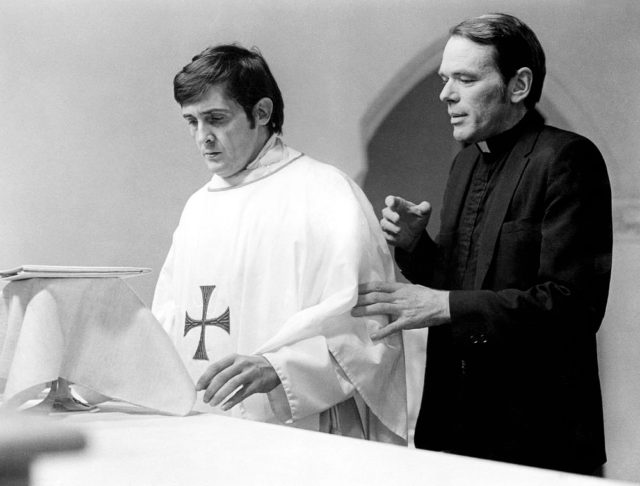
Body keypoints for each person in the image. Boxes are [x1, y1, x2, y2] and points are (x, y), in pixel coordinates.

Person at [353, 13, 612, 473]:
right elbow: (464, 283)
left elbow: (573, 307)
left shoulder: (568, 160)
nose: (445, 94)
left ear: (519, 85)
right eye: (444, 79)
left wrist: (446, 306)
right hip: (454, 431)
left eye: (465, 79)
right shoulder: (466, 164)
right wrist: (417, 247)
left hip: (538, 440)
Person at [152, 44, 407, 444]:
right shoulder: (198, 208)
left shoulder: (326, 194)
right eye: (191, 122)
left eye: (216, 118)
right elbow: (169, 320)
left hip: (299, 428)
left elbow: (368, 326)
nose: (203, 137)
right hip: (201, 430)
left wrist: (281, 368)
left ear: (262, 113)